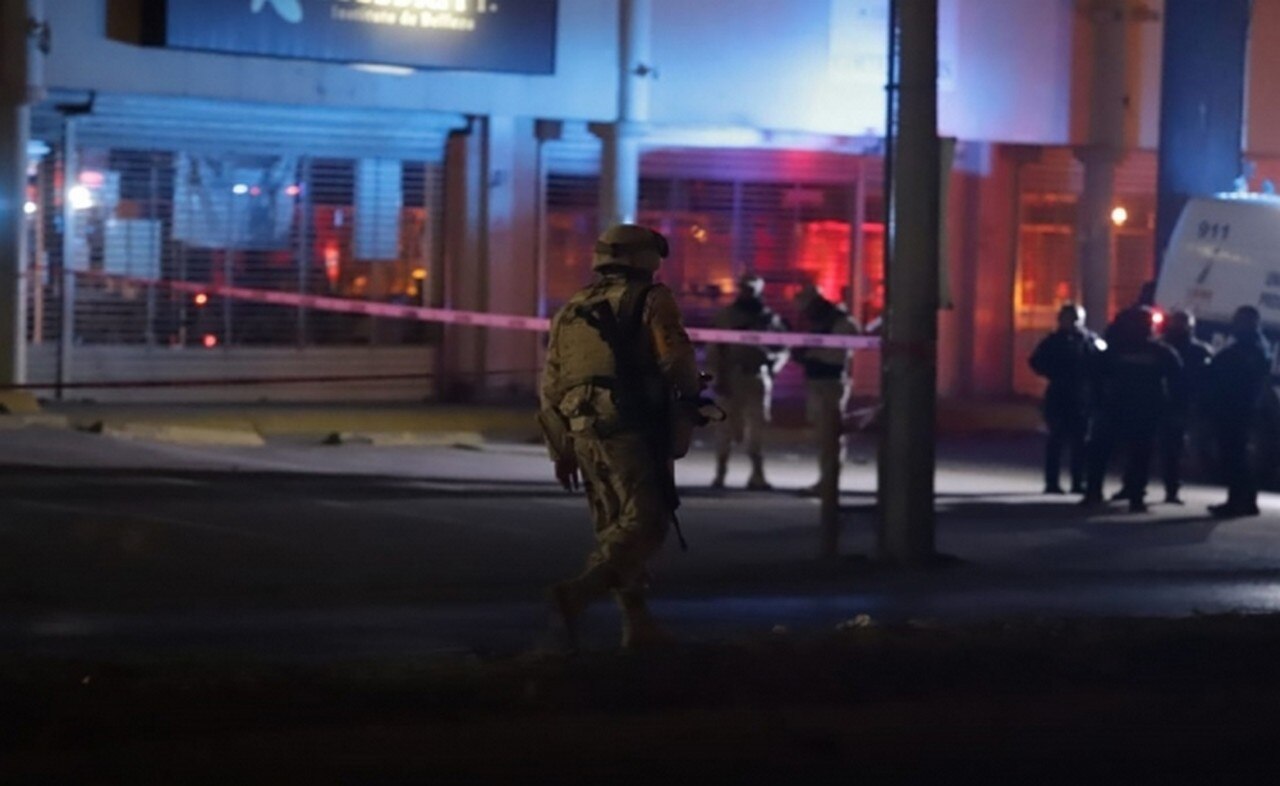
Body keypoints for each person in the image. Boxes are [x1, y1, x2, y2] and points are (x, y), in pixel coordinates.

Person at [537, 223, 701, 649]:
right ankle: (576, 595)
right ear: (644, 257)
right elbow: (677, 361)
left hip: (582, 429)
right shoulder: (652, 299)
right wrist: (690, 397)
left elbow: (551, 384)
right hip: (630, 425)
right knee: (646, 523)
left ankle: (637, 624)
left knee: (614, 524)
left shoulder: (572, 307)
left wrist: (560, 449)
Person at [1081, 306, 1183, 513]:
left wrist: (1097, 402)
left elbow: (1094, 376)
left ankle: (1098, 492)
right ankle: (1133, 496)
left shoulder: (1116, 350)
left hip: (1121, 408)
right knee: (1137, 454)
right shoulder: (1159, 351)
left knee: (1106, 452)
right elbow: (1177, 381)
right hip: (1138, 410)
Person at [708, 274, 789, 490]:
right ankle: (720, 473)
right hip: (731, 376)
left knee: (757, 427)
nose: (747, 294)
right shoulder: (725, 316)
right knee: (725, 427)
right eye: (744, 289)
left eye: (751, 290)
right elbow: (714, 348)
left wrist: (772, 365)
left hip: (757, 377)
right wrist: (717, 377)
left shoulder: (769, 319)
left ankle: (757, 474)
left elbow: (784, 347)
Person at [1204, 306, 1273, 518]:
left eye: (1241, 320)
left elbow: (1237, 375)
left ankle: (1237, 501)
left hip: (1237, 408)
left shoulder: (1250, 348)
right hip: (1239, 407)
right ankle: (1244, 501)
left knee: (1234, 456)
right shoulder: (1254, 345)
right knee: (1237, 456)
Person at [792, 284, 860, 494]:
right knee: (824, 436)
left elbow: (833, 356)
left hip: (830, 383)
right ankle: (826, 481)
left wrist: (808, 354)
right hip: (817, 382)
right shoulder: (820, 322)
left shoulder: (840, 322)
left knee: (830, 436)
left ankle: (829, 483)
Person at [1028, 303, 1103, 495]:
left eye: (1076, 318)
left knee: (1081, 442)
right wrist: (1054, 372)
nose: (1073, 322)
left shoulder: (1091, 340)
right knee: (1056, 440)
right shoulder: (1053, 341)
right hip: (1059, 394)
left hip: (1082, 396)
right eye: (1070, 318)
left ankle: (1078, 482)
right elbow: (1036, 361)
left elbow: (1104, 360)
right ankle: (1052, 482)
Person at [1157, 310, 1214, 504]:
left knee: (1173, 448)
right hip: (1163, 402)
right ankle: (1136, 488)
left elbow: (1207, 379)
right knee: (1151, 447)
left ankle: (1171, 489)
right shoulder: (1161, 347)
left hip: (1180, 403)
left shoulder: (1198, 350)